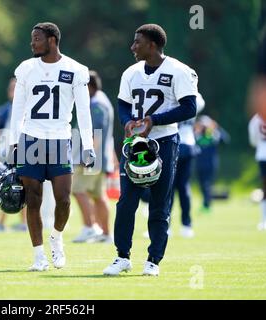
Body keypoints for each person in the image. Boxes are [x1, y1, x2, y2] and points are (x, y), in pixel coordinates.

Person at [103, 24, 198, 277]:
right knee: (126, 202)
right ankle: (122, 256)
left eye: (138, 42)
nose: (133, 47)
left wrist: (154, 120)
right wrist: (127, 122)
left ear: (152, 45)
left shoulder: (178, 71)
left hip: (165, 142)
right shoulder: (131, 73)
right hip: (136, 145)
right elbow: (123, 104)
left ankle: (153, 260)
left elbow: (189, 108)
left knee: (159, 204)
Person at [8, 22, 95, 271]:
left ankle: (56, 238)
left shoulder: (75, 69)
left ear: (52, 40)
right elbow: (19, 108)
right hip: (31, 138)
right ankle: (38, 255)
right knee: (32, 200)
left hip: (60, 139)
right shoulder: (26, 69)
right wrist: (14, 142)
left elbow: (83, 110)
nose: (32, 43)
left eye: (36, 38)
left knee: (64, 199)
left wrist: (88, 145)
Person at [72, 70, 114, 243]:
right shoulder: (102, 100)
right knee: (98, 195)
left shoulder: (96, 104)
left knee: (77, 189)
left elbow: (96, 133)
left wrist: (89, 156)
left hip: (92, 158)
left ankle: (90, 228)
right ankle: (105, 234)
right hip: (99, 158)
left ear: (90, 86)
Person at [0, 77, 27, 233]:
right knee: (6, 183)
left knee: (23, 185)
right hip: (8, 152)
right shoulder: (4, 110)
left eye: (15, 88)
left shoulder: (27, 109)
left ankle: (23, 222)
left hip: (25, 151)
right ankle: (2, 223)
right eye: (10, 88)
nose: (11, 92)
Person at [169, 93, 205, 238]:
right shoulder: (193, 99)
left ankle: (166, 225)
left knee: (169, 187)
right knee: (184, 187)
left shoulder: (173, 95)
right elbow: (200, 102)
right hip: (189, 144)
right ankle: (186, 225)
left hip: (174, 144)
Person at [194, 115, 230, 213]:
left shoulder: (214, 135)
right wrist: (197, 129)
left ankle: (207, 205)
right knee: (202, 185)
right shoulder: (197, 135)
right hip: (199, 164)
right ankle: (206, 204)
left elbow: (226, 140)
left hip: (210, 164)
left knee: (207, 185)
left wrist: (217, 127)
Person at [249, 113, 266, 230]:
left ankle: (264, 220)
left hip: (262, 154)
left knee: (265, 189)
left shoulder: (256, 118)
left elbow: (253, 140)